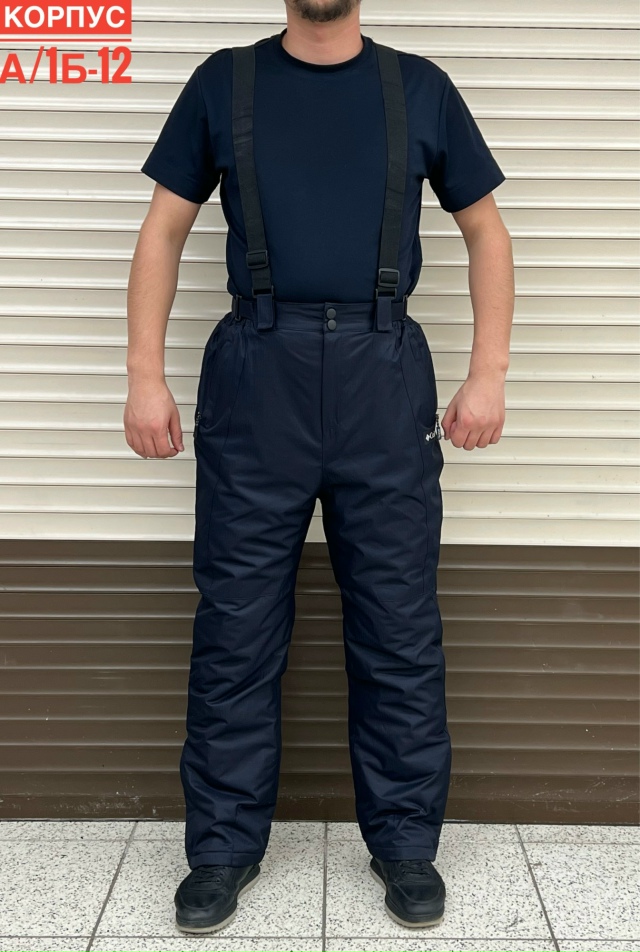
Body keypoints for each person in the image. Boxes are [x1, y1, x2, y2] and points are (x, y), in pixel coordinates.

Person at [125, 0, 514, 936]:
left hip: (385, 371)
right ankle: (221, 849)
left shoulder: (419, 88)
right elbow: (163, 230)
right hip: (258, 371)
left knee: (398, 623)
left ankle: (406, 844)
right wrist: (143, 377)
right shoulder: (225, 81)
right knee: (237, 624)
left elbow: (486, 232)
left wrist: (488, 375)